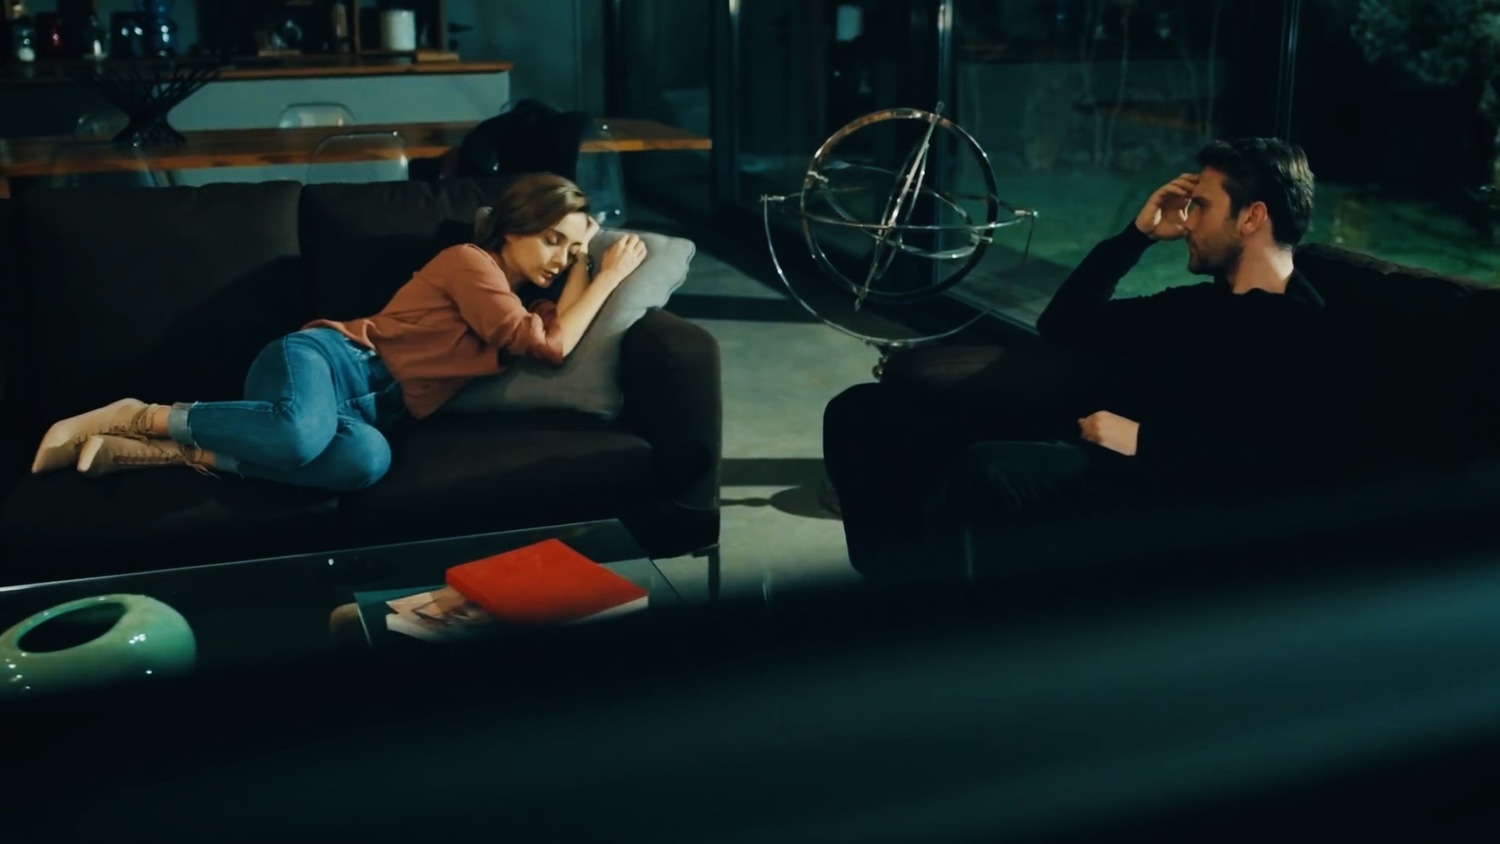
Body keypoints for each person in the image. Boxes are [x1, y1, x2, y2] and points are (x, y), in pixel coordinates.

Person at [825, 137, 1350, 581]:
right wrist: (1134, 238)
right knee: (861, 414)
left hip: (1164, 484)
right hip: (1090, 440)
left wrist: (1143, 440)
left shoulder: (1303, 328)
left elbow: (1287, 466)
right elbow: (1064, 324)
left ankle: (948, 630)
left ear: (1252, 217)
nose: (1187, 222)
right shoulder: (1196, 304)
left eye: (1202, 207)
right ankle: (892, 588)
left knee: (988, 473)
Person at [29, 172, 649, 491]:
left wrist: (585, 263)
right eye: (551, 239)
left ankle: (175, 454)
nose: (558, 260)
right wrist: (606, 273)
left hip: (372, 413)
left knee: (365, 461)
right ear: (513, 227)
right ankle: (139, 415)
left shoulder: (526, 308)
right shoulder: (471, 263)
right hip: (326, 360)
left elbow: (559, 333)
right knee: (299, 432)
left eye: (569, 252)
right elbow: (550, 347)